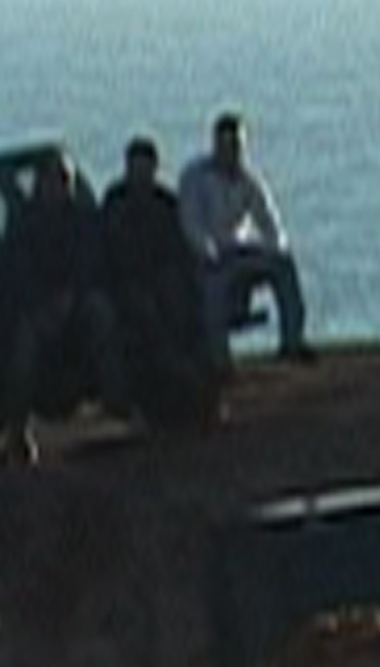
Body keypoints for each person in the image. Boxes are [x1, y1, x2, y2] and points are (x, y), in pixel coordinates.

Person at [0, 151, 124, 436]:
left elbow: (91, 261)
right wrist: (39, 306)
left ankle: (118, 401)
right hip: (36, 308)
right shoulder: (23, 224)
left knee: (102, 313)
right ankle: (17, 425)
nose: (59, 186)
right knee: (23, 346)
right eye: (53, 179)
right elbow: (14, 269)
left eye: (65, 179)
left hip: (76, 300)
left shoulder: (83, 218)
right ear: (40, 183)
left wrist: (71, 296)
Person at [100, 135, 221, 429]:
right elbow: (107, 250)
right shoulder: (115, 202)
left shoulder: (166, 204)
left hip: (163, 281)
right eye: (134, 168)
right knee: (145, 314)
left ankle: (196, 385)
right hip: (126, 284)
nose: (139, 176)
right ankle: (172, 377)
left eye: (145, 169)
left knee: (181, 303)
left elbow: (178, 251)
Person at [178, 110, 313, 369]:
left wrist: (275, 249)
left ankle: (292, 342)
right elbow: (191, 223)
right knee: (214, 285)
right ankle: (219, 359)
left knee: (284, 267)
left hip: (240, 252)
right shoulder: (195, 177)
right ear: (215, 144)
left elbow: (269, 221)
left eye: (237, 146)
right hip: (205, 256)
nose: (231, 152)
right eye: (226, 145)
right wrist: (209, 253)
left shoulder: (249, 180)